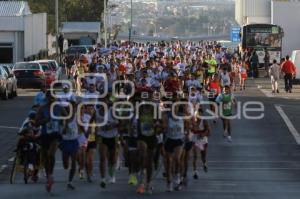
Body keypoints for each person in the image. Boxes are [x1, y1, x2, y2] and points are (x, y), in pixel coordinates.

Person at [35, 91, 66, 192]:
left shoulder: (59, 108)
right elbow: (36, 122)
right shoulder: (42, 108)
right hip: (45, 135)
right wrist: (45, 120)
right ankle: (48, 175)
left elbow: (67, 117)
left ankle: (51, 174)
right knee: (45, 157)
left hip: (55, 135)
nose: (52, 100)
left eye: (54, 98)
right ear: (47, 99)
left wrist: (63, 124)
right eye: (50, 99)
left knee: (51, 154)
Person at [59, 101, 79, 190]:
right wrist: (66, 125)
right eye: (72, 108)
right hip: (65, 141)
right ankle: (67, 165)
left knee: (74, 163)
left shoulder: (77, 117)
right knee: (65, 164)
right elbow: (62, 132)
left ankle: (70, 181)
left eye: (74, 108)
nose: (74, 110)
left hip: (74, 141)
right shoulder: (62, 119)